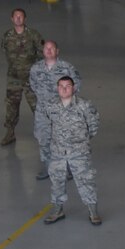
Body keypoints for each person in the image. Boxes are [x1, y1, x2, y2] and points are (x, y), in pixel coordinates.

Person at [43, 75, 101, 226]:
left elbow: (93, 126)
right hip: (57, 152)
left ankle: (93, 211)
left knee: (86, 181)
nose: (64, 89)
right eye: (61, 86)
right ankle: (57, 210)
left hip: (79, 152)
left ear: (73, 88)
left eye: (67, 86)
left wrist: (81, 142)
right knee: (56, 182)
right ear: (57, 88)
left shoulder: (84, 106)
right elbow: (46, 126)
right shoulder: (50, 106)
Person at [28, 40, 81, 181]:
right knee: (44, 140)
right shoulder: (35, 69)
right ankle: (48, 168)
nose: (49, 50)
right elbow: (32, 85)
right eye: (46, 48)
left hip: (62, 112)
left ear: (57, 51)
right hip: (43, 113)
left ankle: (67, 169)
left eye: (52, 48)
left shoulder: (67, 68)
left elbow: (76, 86)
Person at [0, 7, 42, 146]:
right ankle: (10, 133)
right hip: (14, 78)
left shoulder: (33, 35)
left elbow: (42, 53)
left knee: (37, 106)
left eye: (21, 16)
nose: (18, 18)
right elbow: (5, 51)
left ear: (25, 19)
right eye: (16, 16)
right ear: (12, 19)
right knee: (11, 106)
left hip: (31, 78)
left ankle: (44, 133)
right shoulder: (7, 36)